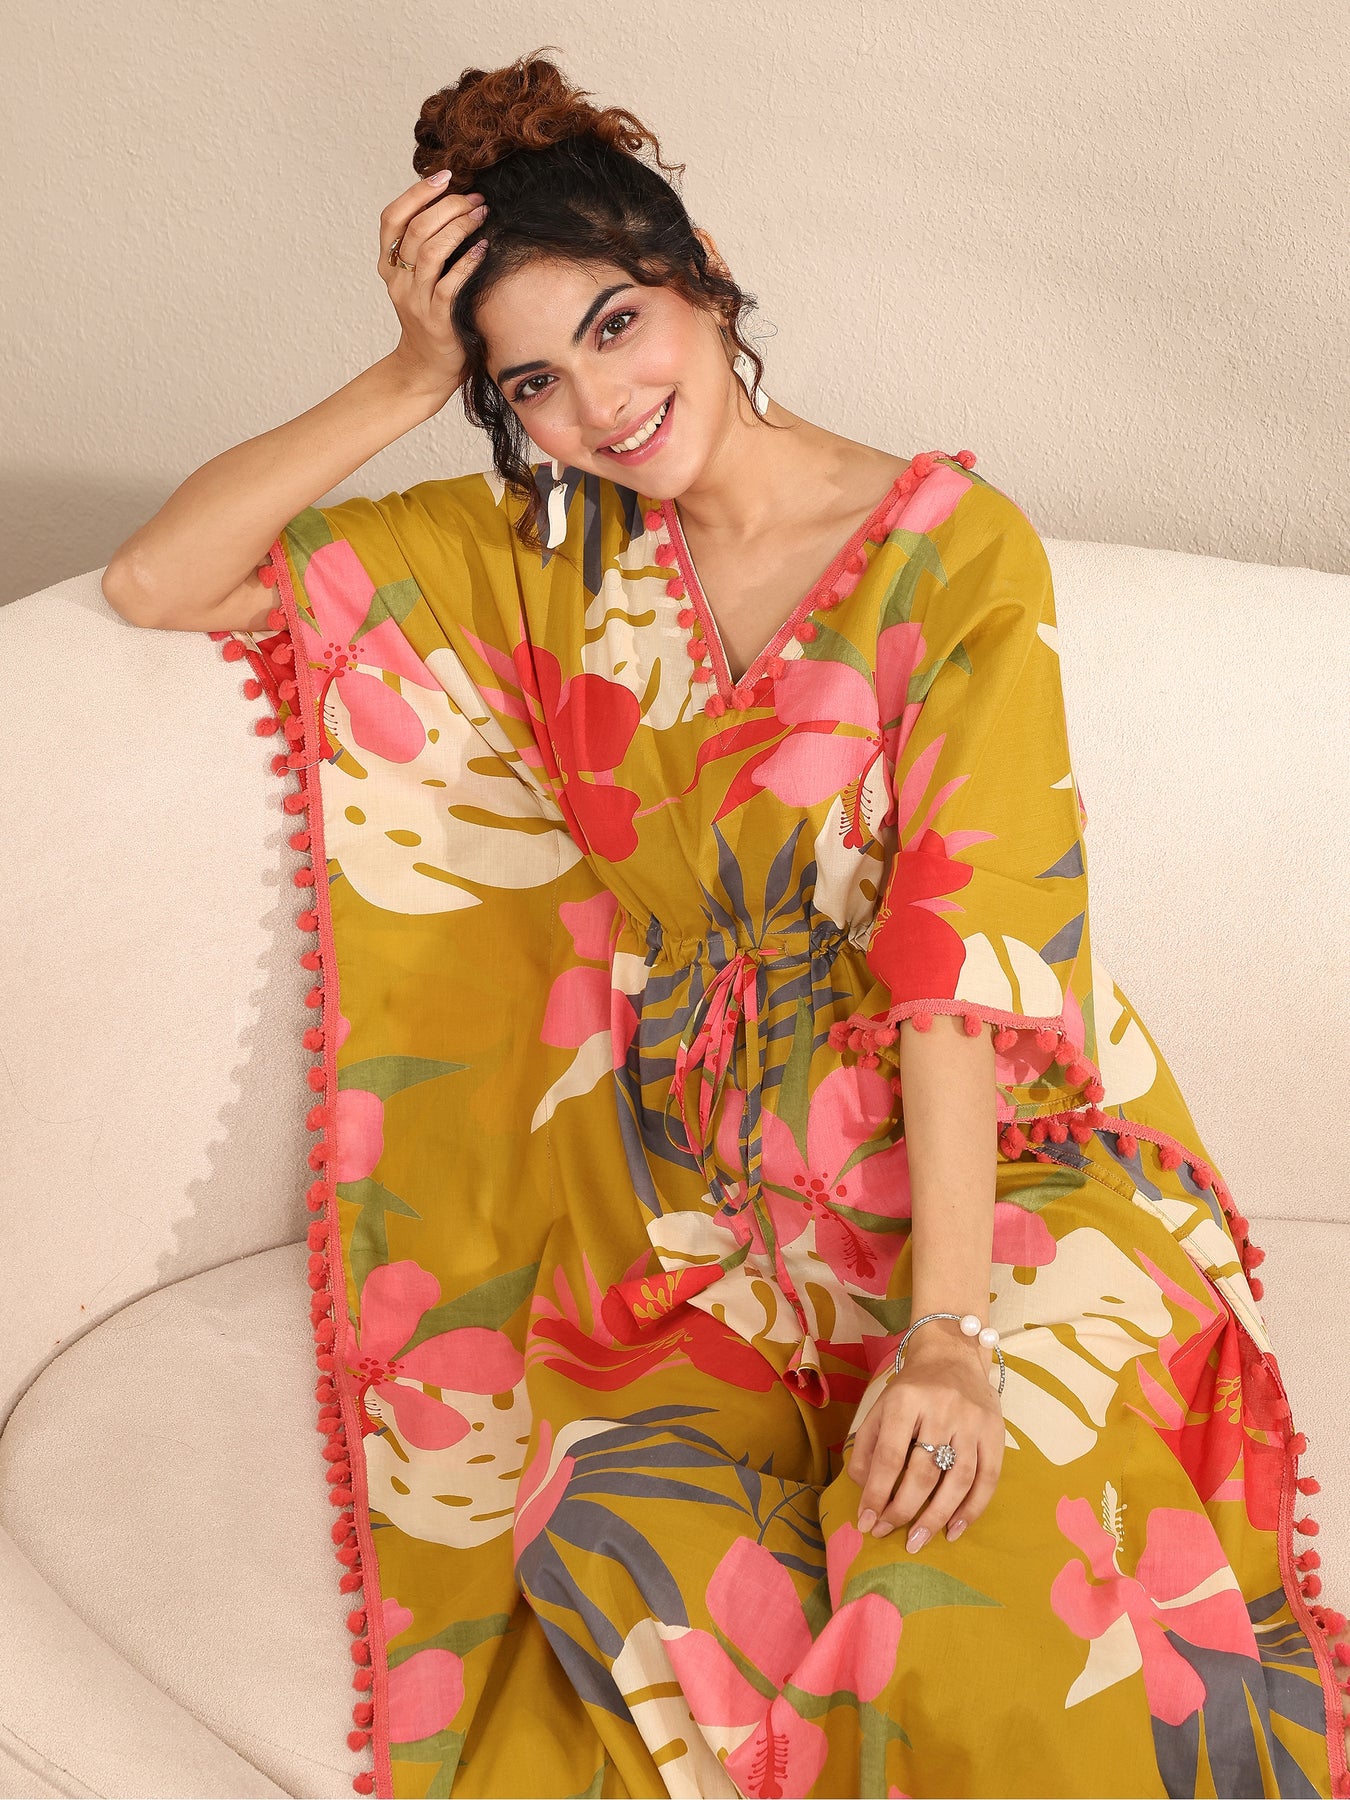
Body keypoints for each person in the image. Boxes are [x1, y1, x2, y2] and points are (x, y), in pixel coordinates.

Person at [103, 46, 1348, 1800]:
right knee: (604, 1513)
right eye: (531, 381)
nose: (599, 404)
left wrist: (946, 1338)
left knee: (967, 1575)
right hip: (710, 1211)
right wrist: (407, 371)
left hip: (992, 1176)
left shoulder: (946, 548)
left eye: (616, 325)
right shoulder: (540, 561)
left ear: (700, 279)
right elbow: (164, 581)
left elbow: (957, 965)